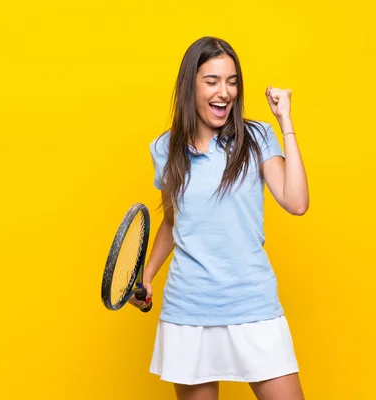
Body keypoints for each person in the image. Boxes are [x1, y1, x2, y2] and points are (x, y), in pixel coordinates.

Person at [129, 36, 309, 400]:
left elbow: (297, 202)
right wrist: (146, 277)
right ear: (190, 86)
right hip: (189, 310)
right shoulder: (166, 148)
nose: (224, 92)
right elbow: (173, 220)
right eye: (211, 81)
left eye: (231, 81)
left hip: (253, 304)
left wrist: (285, 121)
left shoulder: (257, 137)